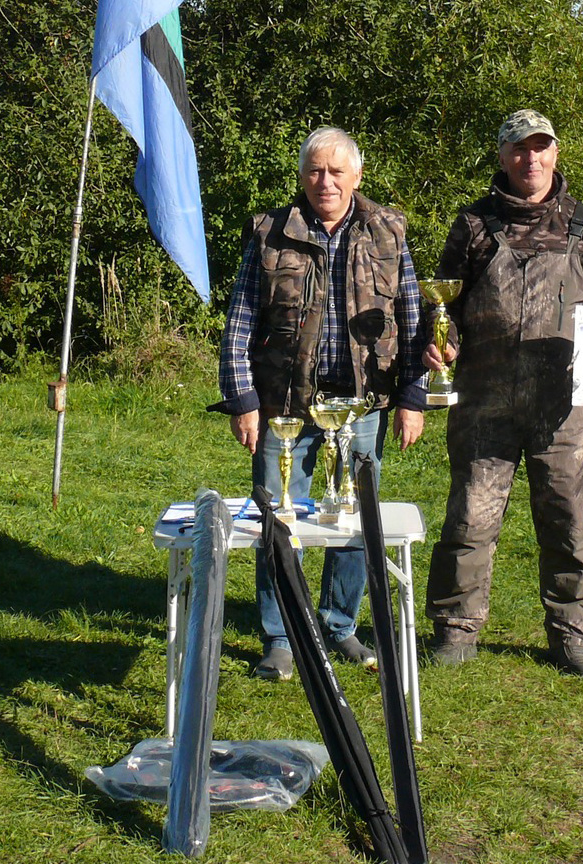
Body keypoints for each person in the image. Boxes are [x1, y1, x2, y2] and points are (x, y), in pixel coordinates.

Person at [422, 109, 583, 677]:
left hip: (565, 406)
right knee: (470, 518)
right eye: (520, 149)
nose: (531, 159)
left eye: (541, 148)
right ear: (502, 157)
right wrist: (439, 344)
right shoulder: (474, 224)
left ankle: (573, 633)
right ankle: (455, 628)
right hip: (483, 402)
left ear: (555, 154)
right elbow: (440, 307)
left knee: (569, 519)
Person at [215, 127, 426, 681]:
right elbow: (240, 321)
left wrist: (412, 396)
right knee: (278, 520)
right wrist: (241, 398)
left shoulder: (388, 231)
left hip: (363, 407)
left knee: (354, 522)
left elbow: (412, 320)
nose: (325, 182)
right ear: (302, 176)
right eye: (315, 171)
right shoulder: (270, 232)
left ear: (357, 176)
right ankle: (282, 636)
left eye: (336, 172)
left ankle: (339, 625)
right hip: (285, 406)